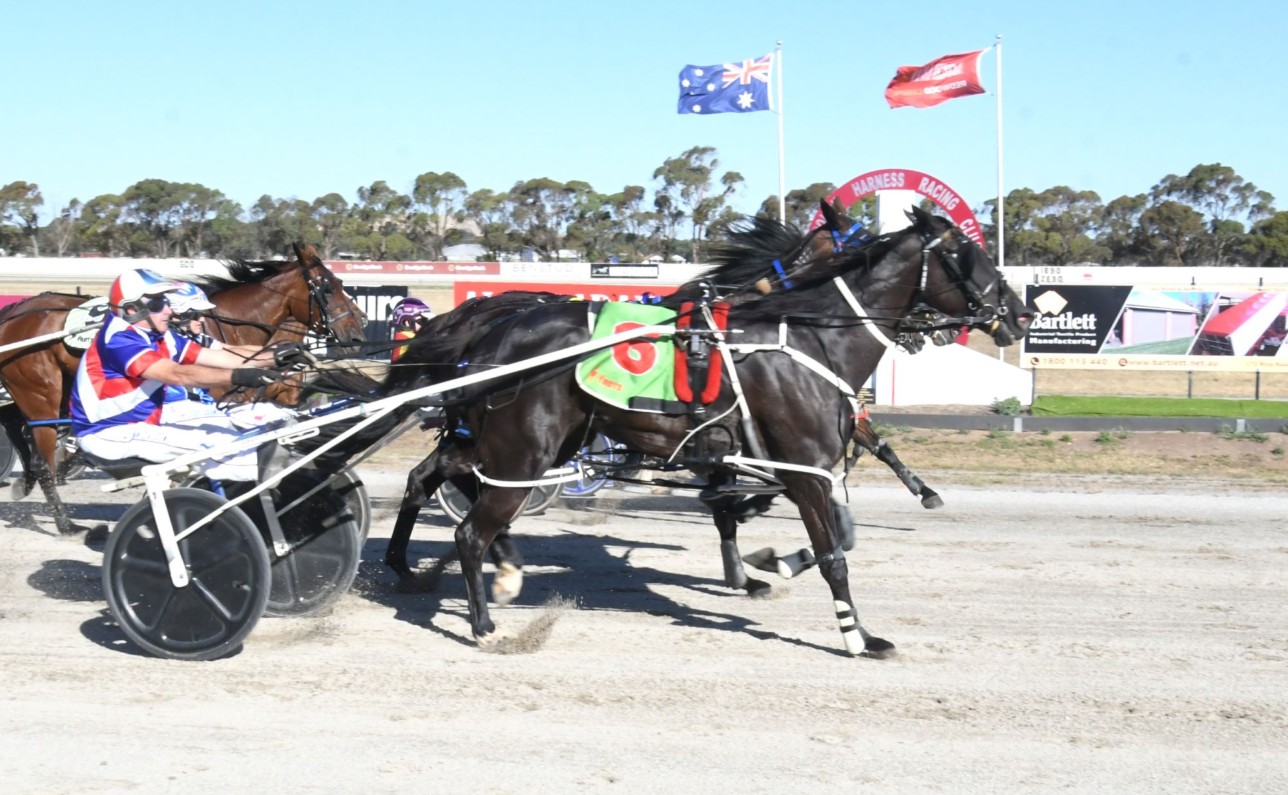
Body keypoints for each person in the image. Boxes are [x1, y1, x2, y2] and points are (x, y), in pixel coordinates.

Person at [69, 268, 297, 482]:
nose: (169, 310)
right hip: (107, 434)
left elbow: (220, 355)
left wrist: (279, 356)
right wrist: (239, 376)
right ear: (131, 309)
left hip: (143, 422)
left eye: (166, 302)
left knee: (233, 427)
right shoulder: (119, 340)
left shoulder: (159, 334)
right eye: (158, 303)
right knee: (219, 445)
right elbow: (177, 375)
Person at [389, 296, 435, 362]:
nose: (426, 323)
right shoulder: (405, 339)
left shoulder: (416, 337)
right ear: (407, 322)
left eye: (427, 320)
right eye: (422, 320)